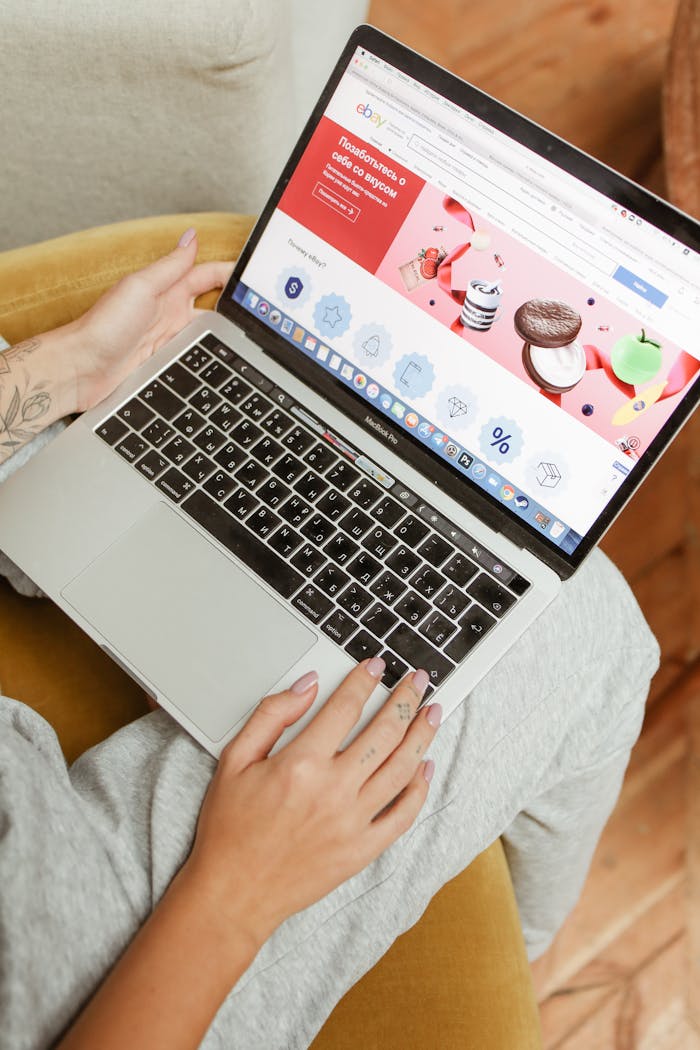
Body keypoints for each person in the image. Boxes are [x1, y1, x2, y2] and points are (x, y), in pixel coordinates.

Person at [0, 229, 659, 1050]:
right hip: (95, 976)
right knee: (588, 618)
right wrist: (235, 892)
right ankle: (526, 949)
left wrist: (62, 370)